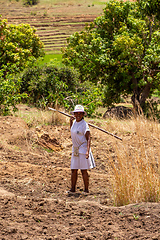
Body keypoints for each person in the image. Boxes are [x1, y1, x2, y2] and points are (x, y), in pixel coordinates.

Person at [68, 105, 95, 194]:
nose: (78, 115)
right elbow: (73, 132)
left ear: (83, 114)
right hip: (75, 148)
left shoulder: (84, 125)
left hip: (83, 148)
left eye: (80, 113)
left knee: (83, 170)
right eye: (77, 113)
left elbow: (88, 138)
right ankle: (72, 189)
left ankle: (86, 190)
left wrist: (87, 151)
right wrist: (70, 122)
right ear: (74, 114)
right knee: (74, 169)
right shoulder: (74, 122)